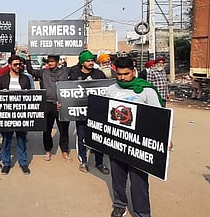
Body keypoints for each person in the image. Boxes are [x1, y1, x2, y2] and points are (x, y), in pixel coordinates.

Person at [105, 57, 163, 217]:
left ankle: (142, 213)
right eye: (119, 74)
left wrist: (166, 138)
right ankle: (119, 205)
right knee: (117, 177)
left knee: (139, 182)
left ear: (134, 69)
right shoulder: (111, 89)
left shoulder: (146, 90)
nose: (122, 78)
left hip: (139, 145)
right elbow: (103, 113)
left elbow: (159, 117)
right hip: (116, 142)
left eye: (126, 74)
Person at [69, 50, 110, 174]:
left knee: (98, 138)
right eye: (88, 60)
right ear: (82, 62)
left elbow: (106, 90)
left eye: (92, 60)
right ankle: (83, 161)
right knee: (82, 138)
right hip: (81, 113)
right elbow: (68, 93)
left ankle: (99, 163)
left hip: (97, 113)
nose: (91, 62)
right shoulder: (75, 75)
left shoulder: (99, 74)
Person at [26, 54, 71, 162]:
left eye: (51, 61)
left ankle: (64, 151)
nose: (49, 63)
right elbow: (31, 70)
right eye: (48, 61)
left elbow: (79, 67)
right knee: (47, 129)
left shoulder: (65, 71)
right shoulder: (43, 72)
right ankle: (48, 150)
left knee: (64, 129)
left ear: (57, 62)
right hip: (47, 104)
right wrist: (28, 59)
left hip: (62, 104)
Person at [0, 55, 31, 175]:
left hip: (21, 115)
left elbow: (31, 96)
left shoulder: (26, 79)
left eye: (20, 64)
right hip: (7, 115)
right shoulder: (3, 79)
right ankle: (6, 163)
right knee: (6, 139)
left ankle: (23, 163)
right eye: (15, 64)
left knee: (21, 139)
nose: (18, 66)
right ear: (10, 65)